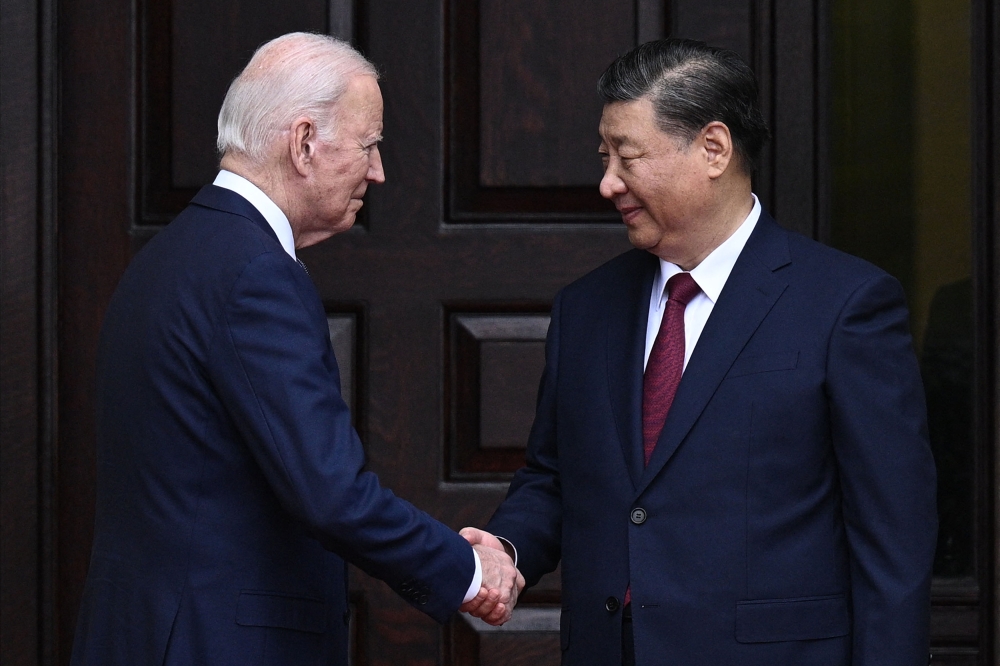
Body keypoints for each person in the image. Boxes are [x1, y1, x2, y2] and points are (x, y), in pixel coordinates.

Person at [463, 38, 936, 665]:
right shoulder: (588, 308)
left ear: (713, 148)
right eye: (604, 157)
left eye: (627, 157)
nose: (607, 184)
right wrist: (506, 548)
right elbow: (554, 477)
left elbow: (892, 539)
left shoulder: (844, 305)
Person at [70, 32, 520, 666]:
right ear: (305, 143)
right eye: (370, 146)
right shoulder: (255, 273)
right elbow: (330, 493)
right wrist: (469, 571)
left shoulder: (170, 256)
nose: (378, 171)